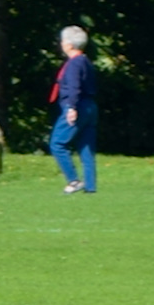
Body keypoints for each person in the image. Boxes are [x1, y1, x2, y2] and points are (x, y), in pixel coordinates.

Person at [49, 25, 98, 195]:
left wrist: (71, 107)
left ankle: (73, 180)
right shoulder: (86, 61)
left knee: (57, 143)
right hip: (91, 106)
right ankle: (90, 187)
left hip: (78, 106)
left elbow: (74, 87)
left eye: (63, 40)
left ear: (69, 44)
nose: (61, 44)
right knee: (86, 148)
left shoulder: (74, 64)